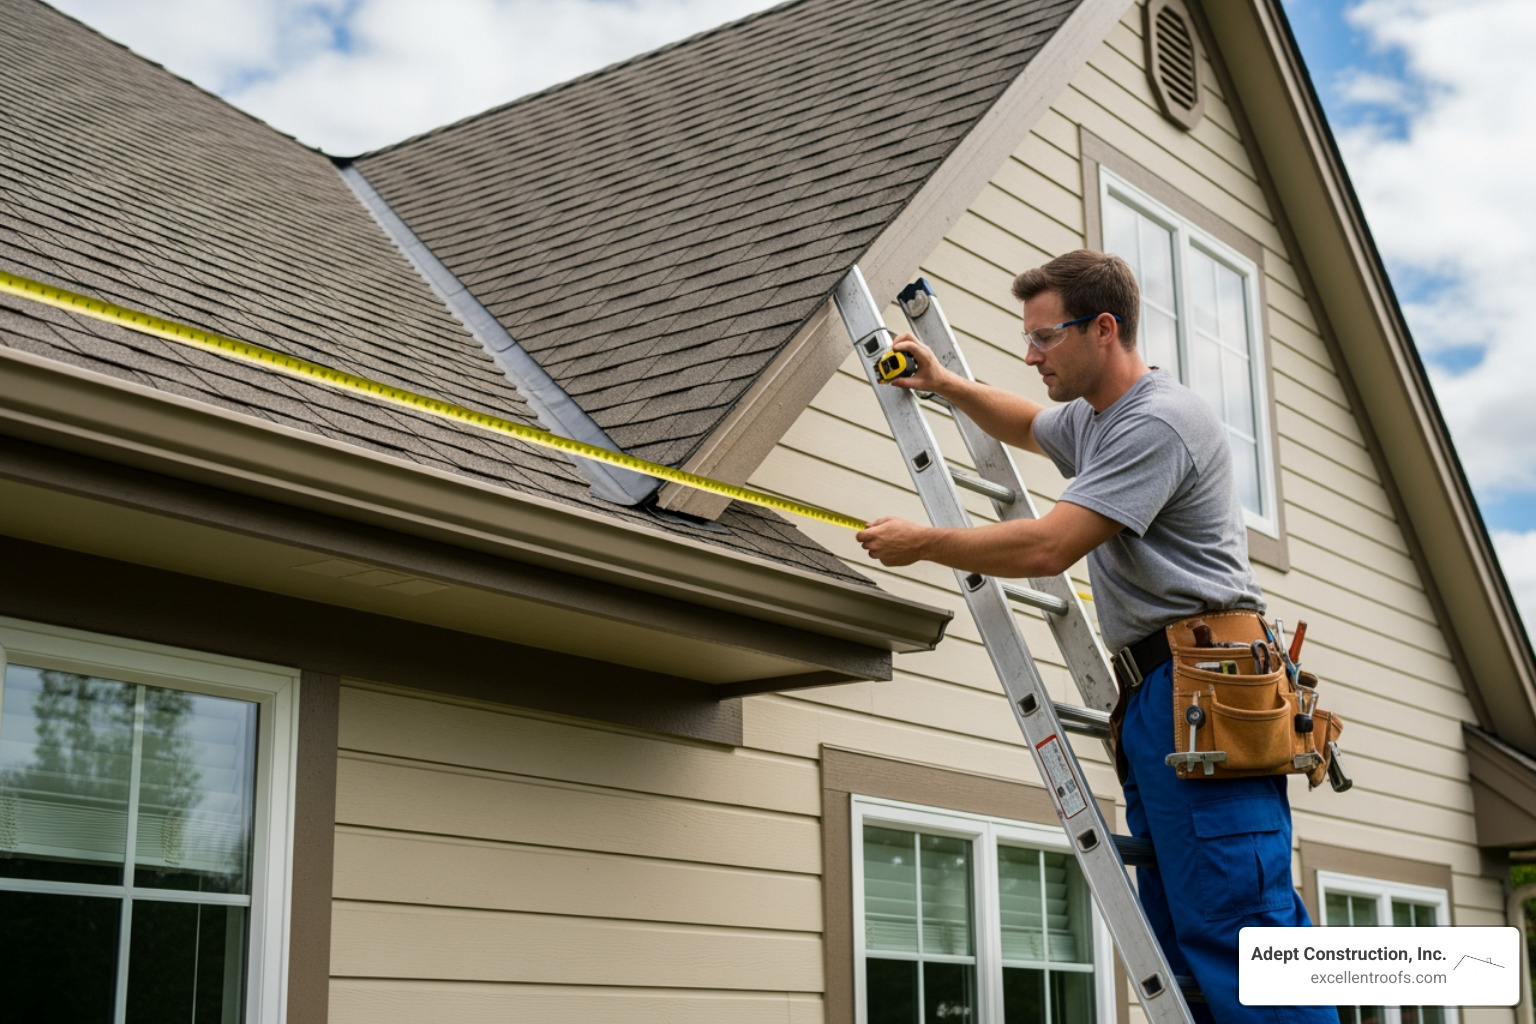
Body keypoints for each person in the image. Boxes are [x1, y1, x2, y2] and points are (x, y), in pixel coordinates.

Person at [855, 249, 1332, 1024]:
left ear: (1103, 329)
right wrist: (942, 385)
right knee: (1183, 946)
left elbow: (1048, 548)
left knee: (1245, 939)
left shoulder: (1159, 423)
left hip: (1208, 688)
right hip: (1158, 694)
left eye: (1045, 338)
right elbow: (1031, 424)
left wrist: (926, 541)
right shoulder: (1100, 419)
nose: (1030, 353)